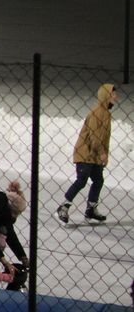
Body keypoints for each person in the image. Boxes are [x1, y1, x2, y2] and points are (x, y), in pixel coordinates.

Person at [57, 83, 118, 224]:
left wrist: (105, 153)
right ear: (106, 96)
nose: (116, 96)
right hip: (85, 153)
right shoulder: (97, 113)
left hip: (95, 154)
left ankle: (91, 209)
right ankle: (63, 207)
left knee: (98, 180)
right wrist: (102, 153)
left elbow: (105, 138)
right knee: (82, 180)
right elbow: (94, 137)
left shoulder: (106, 114)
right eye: (113, 93)